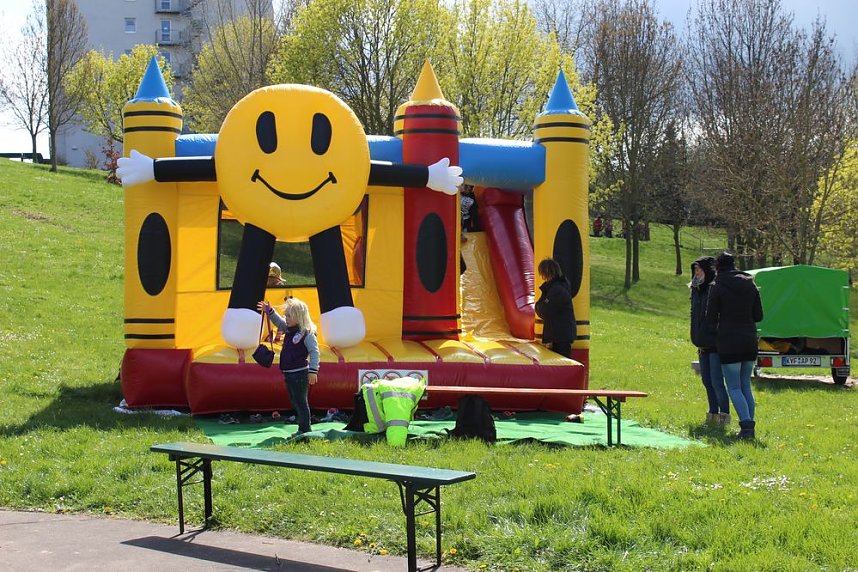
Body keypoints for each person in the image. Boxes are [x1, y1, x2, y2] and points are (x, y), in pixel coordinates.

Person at [706, 252, 763, 440]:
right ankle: (749, 426)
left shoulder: (717, 286)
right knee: (745, 384)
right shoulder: (751, 284)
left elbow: (710, 318)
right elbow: (758, 316)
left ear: (718, 267)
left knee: (733, 386)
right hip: (749, 338)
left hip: (729, 340)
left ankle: (747, 427)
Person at [257, 297, 320, 436]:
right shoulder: (289, 329)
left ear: (299, 317)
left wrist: (313, 370)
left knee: (301, 402)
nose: (286, 318)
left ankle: (305, 429)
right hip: (289, 373)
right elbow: (279, 322)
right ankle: (303, 427)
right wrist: (270, 311)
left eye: (290, 316)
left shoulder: (307, 333)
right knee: (295, 401)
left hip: (300, 374)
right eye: (286, 315)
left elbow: (315, 352)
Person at [689, 256, 730, 426]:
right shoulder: (695, 289)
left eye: (699, 270)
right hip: (701, 342)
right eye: (695, 270)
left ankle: (724, 415)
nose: (697, 273)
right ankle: (712, 412)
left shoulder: (714, 289)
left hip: (715, 343)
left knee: (716, 381)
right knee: (706, 380)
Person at [534, 258, 576, 358]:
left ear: (547, 273)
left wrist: (538, 306)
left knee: (561, 362)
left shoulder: (556, 290)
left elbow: (544, 310)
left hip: (559, 335)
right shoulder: (556, 288)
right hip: (559, 333)